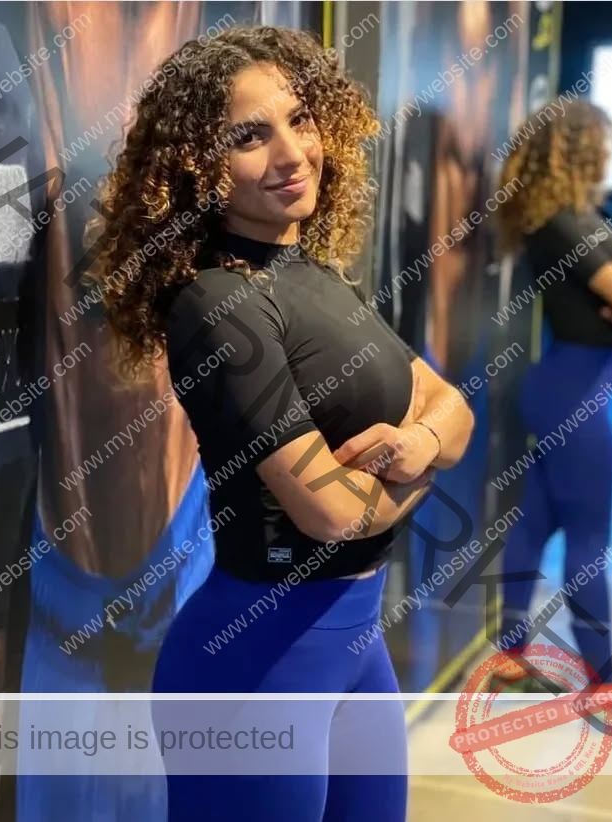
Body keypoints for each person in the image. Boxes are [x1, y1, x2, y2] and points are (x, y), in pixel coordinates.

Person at [86, 25, 474, 822]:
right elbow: (327, 513)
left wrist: (419, 445)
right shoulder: (216, 304)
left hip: (353, 646)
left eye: (300, 120)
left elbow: (453, 405)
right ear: (199, 165)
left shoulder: (313, 276)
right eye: (249, 136)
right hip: (255, 665)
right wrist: (429, 472)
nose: (292, 153)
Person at [493, 100, 612, 693]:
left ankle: (511, 655)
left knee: (534, 523)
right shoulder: (560, 220)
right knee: (588, 537)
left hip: (568, 385)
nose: (609, 153)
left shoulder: (574, 216)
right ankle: (602, 678)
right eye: (601, 142)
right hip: (571, 393)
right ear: (578, 148)